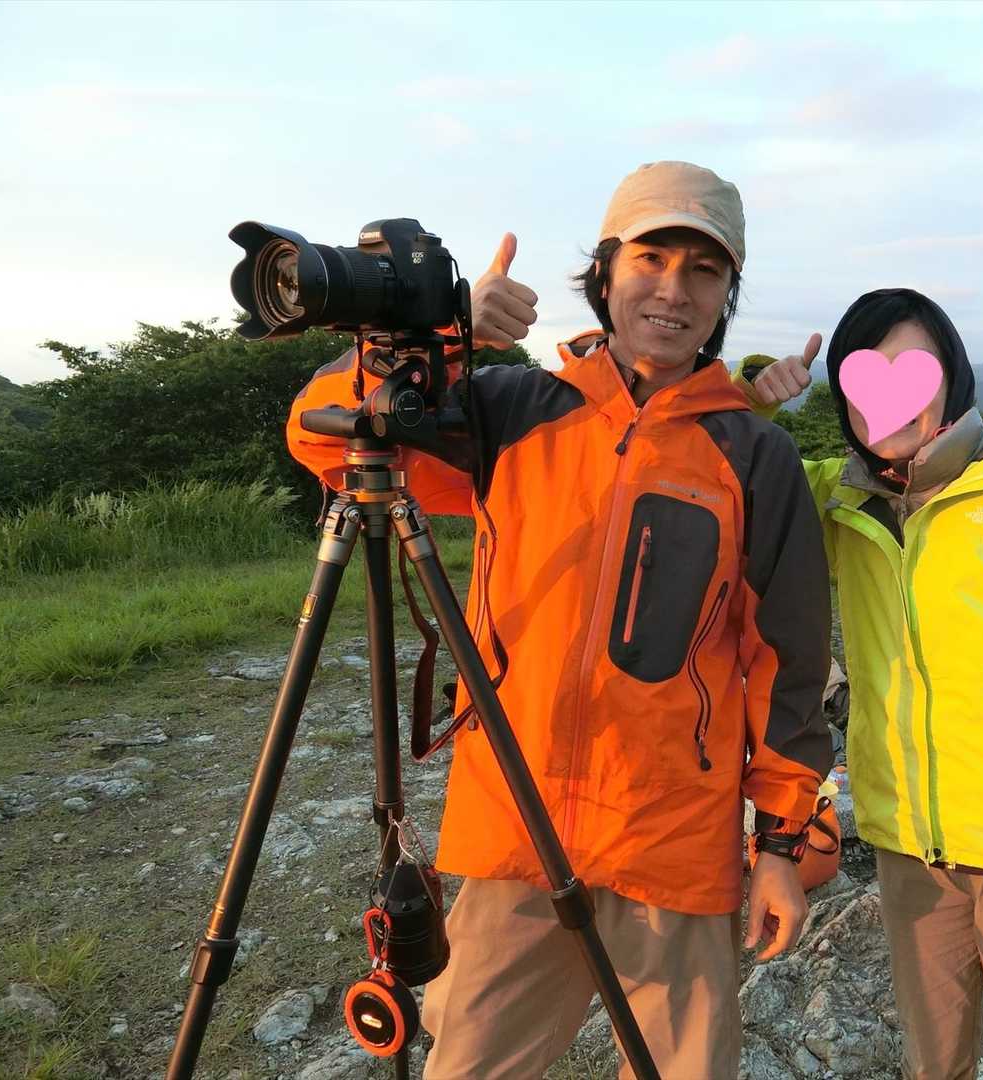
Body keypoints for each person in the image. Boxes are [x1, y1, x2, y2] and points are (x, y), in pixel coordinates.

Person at [286, 161, 834, 1078]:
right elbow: (323, 437)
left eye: (704, 271)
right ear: (605, 272)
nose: (674, 289)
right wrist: (444, 339)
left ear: (726, 296)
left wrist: (779, 843)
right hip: (515, 825)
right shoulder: (511, 407)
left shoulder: (754, 454)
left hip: (673, 841)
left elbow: (788, 660)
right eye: (651, 258)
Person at [740, 288, 983, 1080]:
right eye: (865, 376)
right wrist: (749, 399)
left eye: (912, 369)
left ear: (951, 376)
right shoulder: (842, 499)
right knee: (932, 1063)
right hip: (908, 848)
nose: (889, 395)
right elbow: (736, 477)